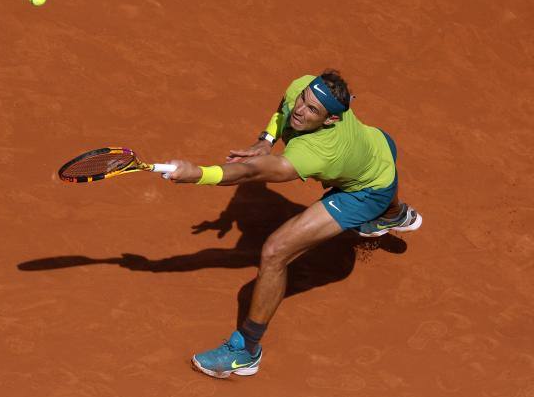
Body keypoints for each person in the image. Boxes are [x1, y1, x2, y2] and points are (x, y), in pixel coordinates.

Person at [166, 70, 422, 379]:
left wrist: (198, 174)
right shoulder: (305, 88)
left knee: (275, 251)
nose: (300, 110)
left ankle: (245, 352)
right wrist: (266, 140)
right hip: (380, 144)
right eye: (304, 99)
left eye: (312, 110)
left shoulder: (315, 153)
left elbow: (249, 173)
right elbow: (285, 106)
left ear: (330, 120)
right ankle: (394, 215)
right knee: (380, 169)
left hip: (365, 192)